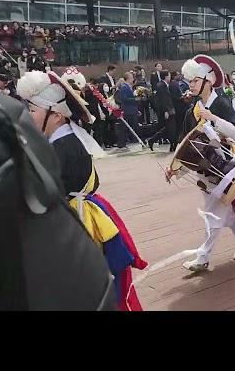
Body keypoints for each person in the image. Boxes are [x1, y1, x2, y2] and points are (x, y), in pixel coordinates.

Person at [16, 71, 146, 310]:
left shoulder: (63, 149)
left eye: (32, 111)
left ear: (56, 115)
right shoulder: (63, 143)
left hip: (77, 226)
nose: (27, 117)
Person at [169, 55, 235, 272]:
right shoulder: (192, 111)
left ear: (208, 81)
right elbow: (186, 146)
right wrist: (175, 169)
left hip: (224, 168)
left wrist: (214, 118)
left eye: (195, 81)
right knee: (224, 212)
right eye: (190, 82)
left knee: (212, 213)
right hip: (204, 170)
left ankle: (204, 257)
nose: (191, 85)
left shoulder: (221, 104)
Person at [148, 70, 176, 152]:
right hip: (167, 111)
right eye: (169, 75)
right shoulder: (161, 86)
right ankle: (172, 145)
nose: (170, 77)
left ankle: (152, 140)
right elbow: (163, 100)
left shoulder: (164, 85)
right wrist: (166, 111)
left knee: (168, 129)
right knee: (170, 128)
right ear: (166, 76)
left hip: (170, 110)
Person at [117, 72, 141, 148]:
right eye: (131, 77)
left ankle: (135, 140)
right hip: (128, 110)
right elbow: (124, 99)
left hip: (132, 109)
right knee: (126, 127)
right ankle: (122, 143)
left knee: (132, 126)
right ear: (128, 78)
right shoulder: (124, 87)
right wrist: (135, 99)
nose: (133, 79)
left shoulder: (129, 86)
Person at [169, 71, 187, 143]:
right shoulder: (174, 84)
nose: (179, 76)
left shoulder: (175, 84)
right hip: (178, 107)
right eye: (178, 75)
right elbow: (176, 96)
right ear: (174, 76)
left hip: (178, 107)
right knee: (179, 124)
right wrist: (184, 96)